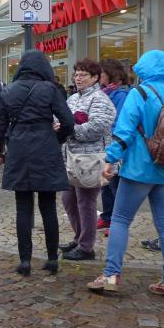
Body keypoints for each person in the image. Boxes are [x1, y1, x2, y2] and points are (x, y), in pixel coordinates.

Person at [87, 50, 164, 300]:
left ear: (145, 69)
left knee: (120, 220)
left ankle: (111, 275)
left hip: (139, 169)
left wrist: (110, 159)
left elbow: (124, 130)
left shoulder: (140, 93)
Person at [0, 50, 74, 276]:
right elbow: (68, 121)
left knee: (23, 207)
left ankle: (25, 260)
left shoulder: (8, 91)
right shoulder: (50, 89)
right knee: (48, 206)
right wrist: (58, 138)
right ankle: (52, 259)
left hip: (19, 149)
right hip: (46, 147)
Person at [58, 59, 116, 261]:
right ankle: (80, 237)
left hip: (91, 159)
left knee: (86, 202)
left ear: (95, 78)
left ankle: (86, 246)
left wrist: (69, 129)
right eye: (76, 74)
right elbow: (60, 119)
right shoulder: (73, 98)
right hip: (71, 158)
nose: (78, 78)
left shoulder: (100, 99)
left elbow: (97, 127)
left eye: (83, 75)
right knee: (68, 200)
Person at [97, 59, 131, 232]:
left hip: (115, 144)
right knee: (105, 183)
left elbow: (120, 122)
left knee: (114, 185)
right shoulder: (104, 92)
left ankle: (116, 221)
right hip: (104, 143)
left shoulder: (121, 94)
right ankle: (106, 216)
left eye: (102, 73)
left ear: (112, 75)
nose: (99, 77)